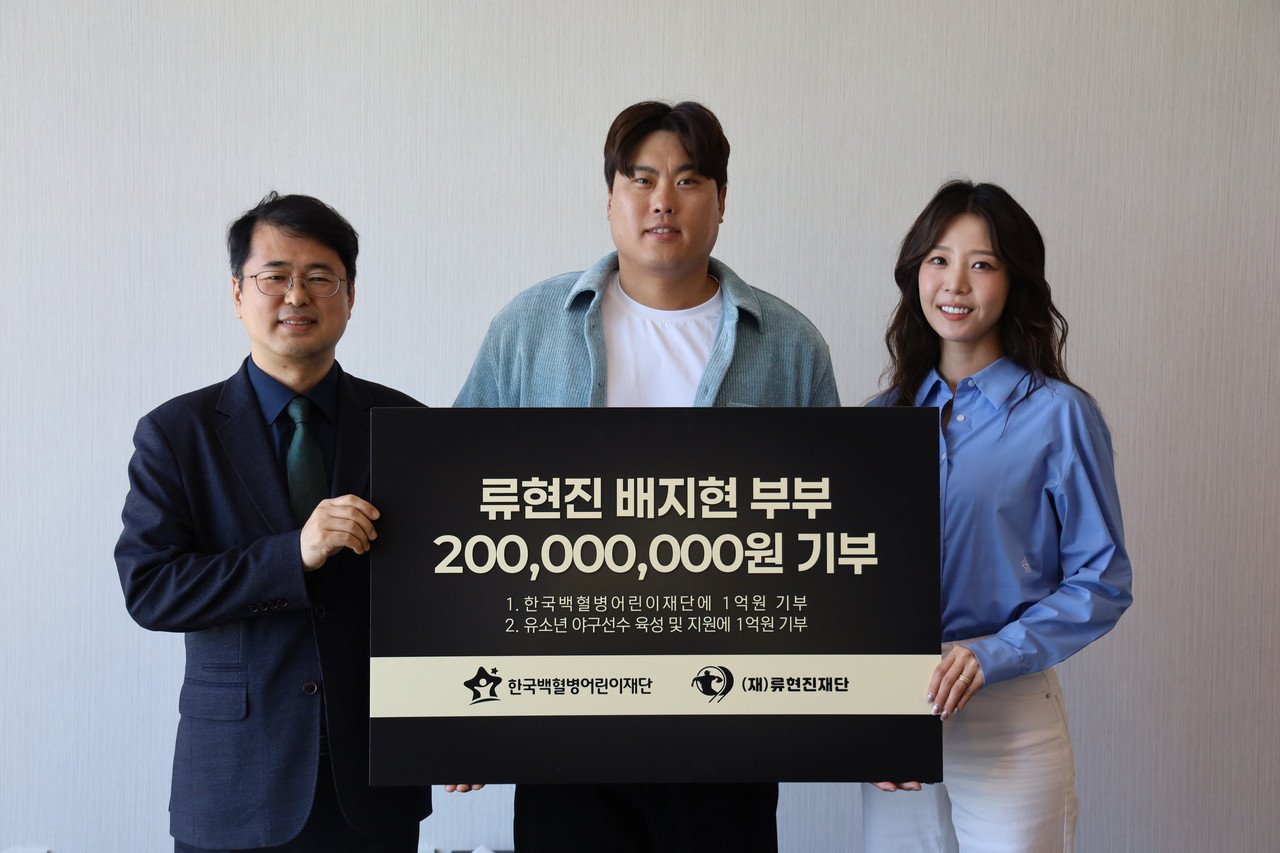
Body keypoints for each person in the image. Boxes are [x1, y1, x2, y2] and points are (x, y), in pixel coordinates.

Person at [456, 101, 839, 851]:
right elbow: (463, 512)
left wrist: (865, 718)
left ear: (722, 201)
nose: (663, 199)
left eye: (689, 179)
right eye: (642, 179)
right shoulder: (530, 326)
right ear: (610, 200)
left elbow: (829, 542)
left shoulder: (790, 344)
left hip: (728, 712)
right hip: (559, 705)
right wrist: (455, 715)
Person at [115, 192, 434, 851]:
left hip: (373, 783)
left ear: (350, 294)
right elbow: (151, 587)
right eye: (275, 277)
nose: (298, 295)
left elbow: (445, 596)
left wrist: (456, 729)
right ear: (238, 293)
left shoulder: (407, 427)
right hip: (236, 779)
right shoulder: (177, 434)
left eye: (321, 277)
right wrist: (295, 553)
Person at [861, 180, 1133, 852]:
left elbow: (1103, 579)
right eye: (938, 260)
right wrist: (866, 716)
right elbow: (854, 579)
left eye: (981, 263)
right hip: (899, 707)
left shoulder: (1061, 416)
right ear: (915, 273)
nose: (955, 283)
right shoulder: (880, 420)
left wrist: (992, 653)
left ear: (1016, 280)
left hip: (1008, 711)